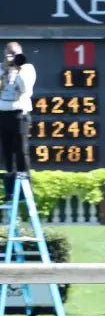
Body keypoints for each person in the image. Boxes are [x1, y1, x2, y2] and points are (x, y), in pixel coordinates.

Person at [0, 41, 35, 202]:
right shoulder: (1, 69)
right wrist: (6, 72)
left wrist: (17, 70)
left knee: (20, 150)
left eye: (14, 54)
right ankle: (10, 189)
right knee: (6, 152)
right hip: (3, 113)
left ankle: (24, 187)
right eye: (9, 54)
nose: (11, 57)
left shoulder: (27, 69)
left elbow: (26, 89)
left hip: (19, 113)